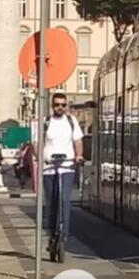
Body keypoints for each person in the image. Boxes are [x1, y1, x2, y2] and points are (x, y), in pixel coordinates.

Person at [36, 94, 84, 248]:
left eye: (63, 105)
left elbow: (77, 140)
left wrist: (79, 155)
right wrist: (39, 157)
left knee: (64, 200)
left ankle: (63, 235)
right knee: (52, 203)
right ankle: (52, 234)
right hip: (49, 168)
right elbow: (36, 142)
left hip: (67, 167)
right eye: (57, 105)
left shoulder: (71, 121)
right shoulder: (45, 122)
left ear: (67, 106)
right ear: (52, 105)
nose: (60, 108)